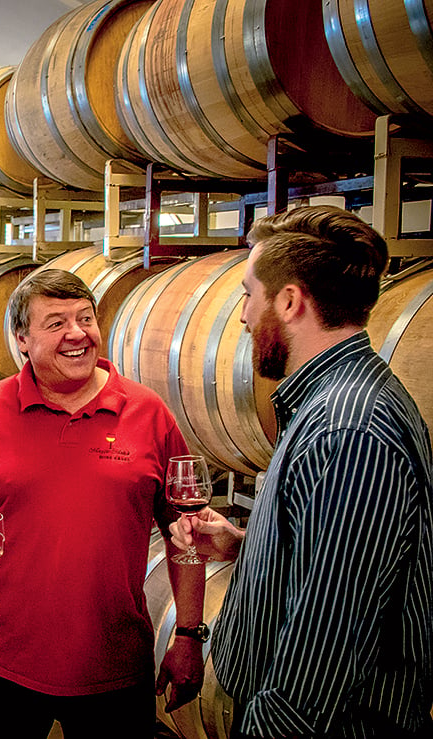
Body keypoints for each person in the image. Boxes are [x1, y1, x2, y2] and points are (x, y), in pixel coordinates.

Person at [170, 206, 433, 738]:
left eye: (248, 294)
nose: (243, 315)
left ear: (289, 301)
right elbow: (337, 564)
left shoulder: (349, 431)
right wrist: (248, 544)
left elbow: (330, 640)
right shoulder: (332, 401)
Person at [0, 269, 206, 737]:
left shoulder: (149, 412)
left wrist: (187, 633)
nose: (77, 333)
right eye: (56, 322)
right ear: (22, 339)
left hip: (115, 664)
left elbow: (187, 534)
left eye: (85, 318)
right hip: (1, 662)